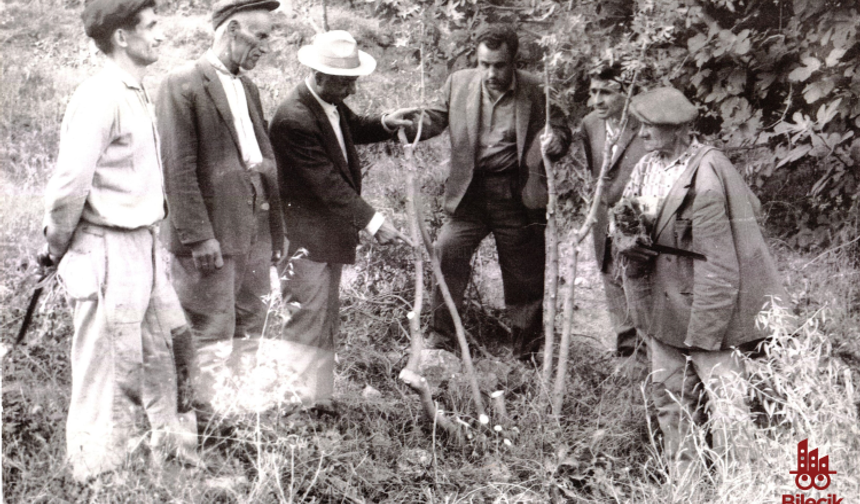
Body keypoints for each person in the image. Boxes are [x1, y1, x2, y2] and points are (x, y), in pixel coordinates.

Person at [42, 0, 200, 481]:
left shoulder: (133, 91)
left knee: (168, 354)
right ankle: (100, 478)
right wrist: (55, 247)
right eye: (151, 26)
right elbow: (69, 188)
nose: (161, 34)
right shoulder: (100, 96)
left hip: (145, 248)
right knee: (110, 367)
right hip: (108, 250)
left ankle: (170, 467)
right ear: (121, 38)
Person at [615, 87, 784, 482]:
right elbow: (623, 212)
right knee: (671, 402)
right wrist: (626, 238)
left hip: (708, 314)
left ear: (679, 129)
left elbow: (721, 265)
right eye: (640, 125)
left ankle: (743, 487)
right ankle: (686, 488)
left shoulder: (706, 176)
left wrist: (703, 334)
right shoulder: (648, 165)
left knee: (728, 409)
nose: (640, 134)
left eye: (650, 127)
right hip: (665, 307)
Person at [405, 24, 571, 361]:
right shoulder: (459, 82)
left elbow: (562, 130)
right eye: (484, 64)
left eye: (499, 65)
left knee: (524, 273)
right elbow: (436, 118)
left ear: (513, 62)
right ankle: (442, 339)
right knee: (447, 252)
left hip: (516, 193)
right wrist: (409, 127)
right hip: (470, 194)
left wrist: (556, 142)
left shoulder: (537, 89)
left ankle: (526, 351)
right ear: (476, 61)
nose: (490, 72)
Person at [268, 30, 413, 408]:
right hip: (304, 240)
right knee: (305, 322)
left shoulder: (325, 102)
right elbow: (328, 184)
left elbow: (352, 127)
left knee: (325, 320)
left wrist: (384, 122)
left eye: (353, 82)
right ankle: (294, 411)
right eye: (345, 83)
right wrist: (375, 222)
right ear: (319, 76)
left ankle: (319, 403)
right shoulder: (293, 118)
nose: (351, 90)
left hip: (327, 235)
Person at [156, 0, 284, 417]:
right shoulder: (183, 83)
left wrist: (274, 232)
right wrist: (198, 236)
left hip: (253, 228)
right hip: (210, 237)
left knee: (250, 324)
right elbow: (177, 168)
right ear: (231, 29)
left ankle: (239, 419)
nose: (266, 47)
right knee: (208, 333)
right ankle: (200, 425)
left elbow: (261, 159)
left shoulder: (247, 86)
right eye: (260, 36)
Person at [579, 63, 647, 359]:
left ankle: (650, 352)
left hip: (639, 219)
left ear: (627, 92)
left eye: (606, 92)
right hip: (603, 219)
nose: (598, 101)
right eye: (593, 92)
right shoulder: (590, 124)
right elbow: (596, 173)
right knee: (610, 276)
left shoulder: (644, 123)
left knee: (641, 281)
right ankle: (626, 352)